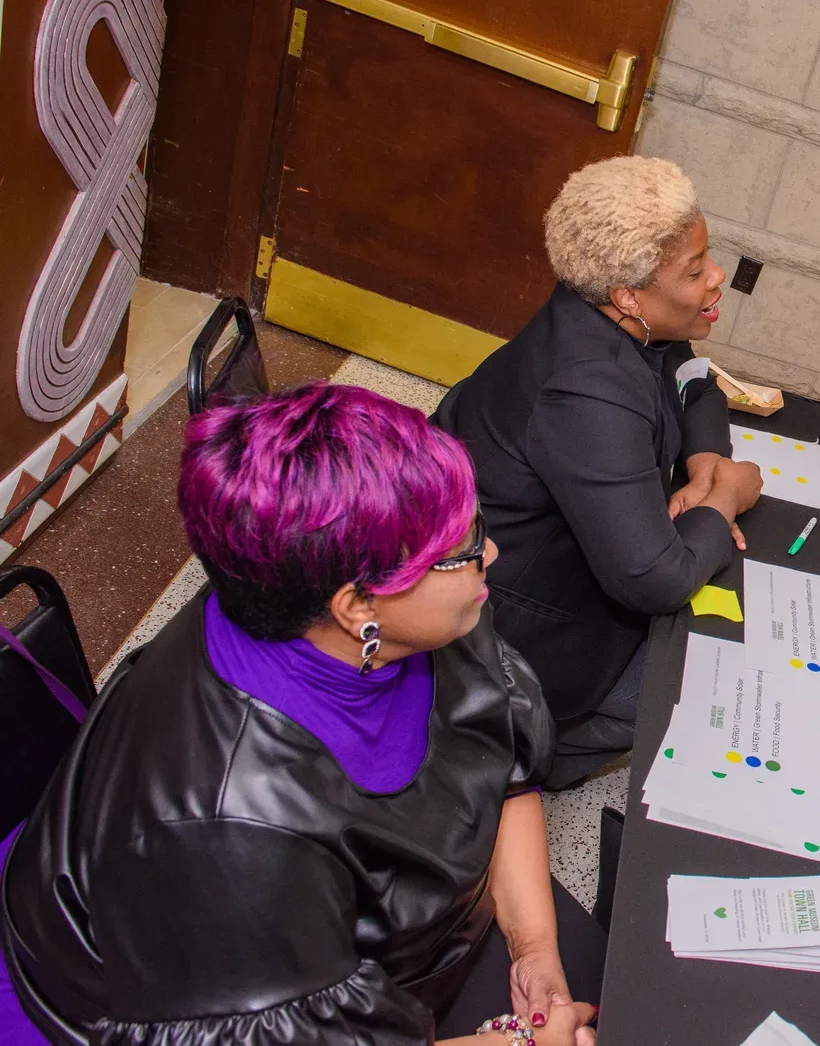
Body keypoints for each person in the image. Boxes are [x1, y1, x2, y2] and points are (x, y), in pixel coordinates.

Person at [0, 384, 601, 1045]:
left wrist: (535, 946)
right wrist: (522, 1040)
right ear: (358, 605)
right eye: (463, 551)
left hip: (410, 946)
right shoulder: (236, 827)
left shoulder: (387, 618)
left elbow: (499, 753)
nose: (489, 556)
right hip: (221, 982)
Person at [435, 157, 762, 788]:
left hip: (551, 558)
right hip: (513, 619)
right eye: (694, 271)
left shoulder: (611, 316)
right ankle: (530, 763)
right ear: (628, 296)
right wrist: (725, 500)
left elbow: (692, 372)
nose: (717, 276)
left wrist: (703, 458)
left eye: (707, 256)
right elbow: (653, 577)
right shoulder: (587, 389)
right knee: (703, 678)